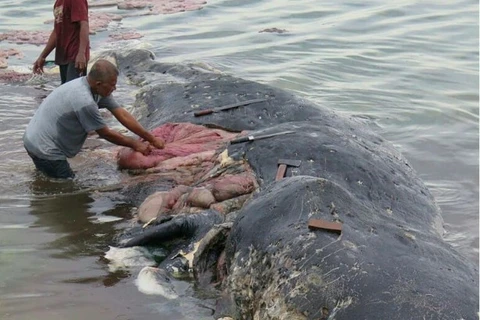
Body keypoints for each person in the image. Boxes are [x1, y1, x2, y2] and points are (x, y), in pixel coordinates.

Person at [23, 59, 165, 179]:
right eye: (112, 84)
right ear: (98, 83)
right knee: (68, 187)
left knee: (46, 178)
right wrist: (135, 144)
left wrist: (150, 138)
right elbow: (105, 133)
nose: (114, 88)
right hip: (45, 147)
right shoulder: (84, 101)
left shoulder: (94, 88)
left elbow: (122, 114)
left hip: (33, 138)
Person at [33, 0, 89, 84]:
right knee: (64, 90)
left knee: (73, 91)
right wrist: (42, 56)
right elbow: (57, 32)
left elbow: (84, 24)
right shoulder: (58, 3)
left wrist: (81, 53)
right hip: (63, 56)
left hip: (75, 56)